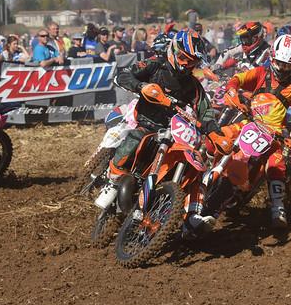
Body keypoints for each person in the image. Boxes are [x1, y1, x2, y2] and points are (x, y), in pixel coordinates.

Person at [96, 29, 232, 232]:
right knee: (136, 138)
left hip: (172, 133)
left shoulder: (193, 86)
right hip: (145, 122)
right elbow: (123, 75)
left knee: (196, 163)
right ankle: (113, 179)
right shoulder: (155, 64)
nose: (186, 64)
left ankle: (190, 214)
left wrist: (215, 134)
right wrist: (141, 86)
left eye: (192, 61)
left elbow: (206, 113)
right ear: (173, 50)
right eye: (183, 58)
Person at [222, 34, 291, 226]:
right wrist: (231, 91)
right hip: (249, 123)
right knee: (221, 138)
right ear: (272, 57)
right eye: (280, 63)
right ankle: (202, 176)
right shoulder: (261, 73)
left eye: (288, 65)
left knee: (276, 164)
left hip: (274, 135)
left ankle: (277, 206)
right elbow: (237, 79)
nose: (283, 68)